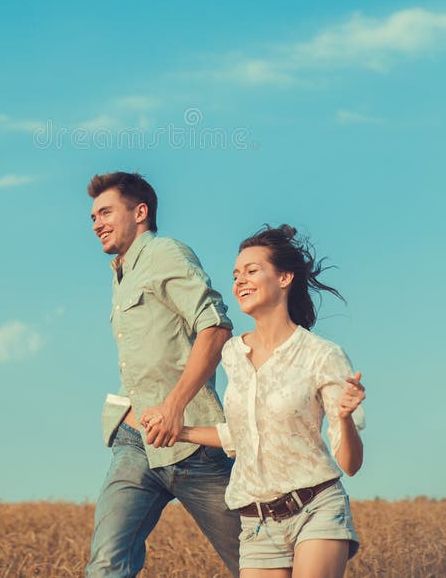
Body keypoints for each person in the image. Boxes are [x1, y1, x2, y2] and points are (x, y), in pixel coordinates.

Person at [143, 224, 365, 578]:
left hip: (316, 509)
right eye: (235, 275)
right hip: (257, 522)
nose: (239, 282)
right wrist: (178, 431)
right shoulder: (233, 353)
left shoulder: (322, 354)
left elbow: (350, 463)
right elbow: (240, 435)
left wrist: (344, 419)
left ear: (284, 278)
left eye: (251, 271)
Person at [86, 171, 241, 577]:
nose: (96, 223)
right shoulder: (120, 274)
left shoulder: (166, 254)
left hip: (195, 445)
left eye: (105, 212)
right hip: (136, 441)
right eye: (92, 217)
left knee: (258, 563)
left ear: (141, 212)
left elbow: (216, 327)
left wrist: (174, 407)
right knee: (106, 564)